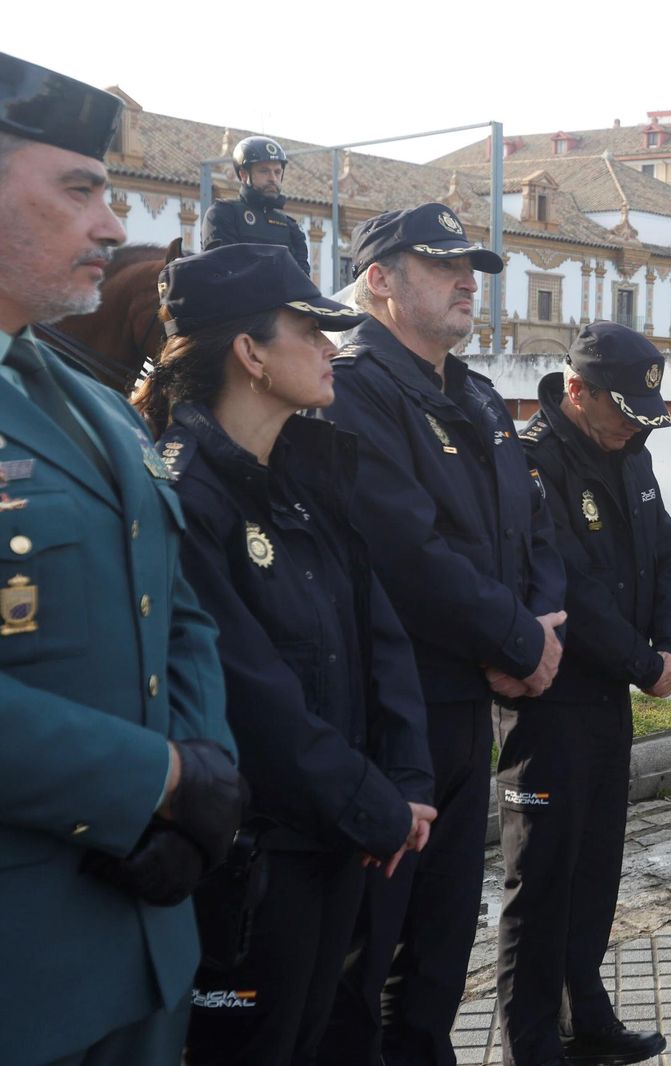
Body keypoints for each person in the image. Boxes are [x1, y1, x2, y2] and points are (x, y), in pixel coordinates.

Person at [132, 244, 436, 1065]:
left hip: (340, 836)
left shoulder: (306, 471)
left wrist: (406, 783)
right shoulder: (187, 494)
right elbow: (250, 692)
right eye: (309, 331)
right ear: (251, 353)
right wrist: (374, 805)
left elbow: (380, 636)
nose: (332, 346)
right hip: (257, 856)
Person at [0, 53, 241, 1066]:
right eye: (80, 190)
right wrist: (157, 779)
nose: (110, 226)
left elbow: (176, 608)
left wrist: (206, 772)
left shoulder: (96, 405)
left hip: (143, 951)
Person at [315, 203, 567, 1066]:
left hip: (468, 705)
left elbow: (534, 527)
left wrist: (537, 628)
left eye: (472, 268)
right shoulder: (353, 387)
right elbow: (404, 549)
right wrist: (519, 644)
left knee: (444, 937)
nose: (467, 281)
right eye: (443, 265)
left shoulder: (477, 393)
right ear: (380, 279)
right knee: (369, 947)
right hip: (397, 707)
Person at [500, 322, 671, 1066]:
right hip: (550, 702)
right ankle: (531, 1041)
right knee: (541, 878)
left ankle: (586, 1011)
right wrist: (644, 663)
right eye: (623, 411)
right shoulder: (532, 461)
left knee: (595, 869)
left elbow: (667, 552)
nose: (633, 428)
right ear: (577, 391)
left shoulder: (628, 449)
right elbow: (567, 583)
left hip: (609, 698)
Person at [201, 136, 311, 277]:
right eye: (264, 171)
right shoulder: (222, 214)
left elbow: (302, 279)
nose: (273, 178)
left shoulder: (291, 228)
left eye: (277, 172)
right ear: (243, 174)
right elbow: (223, 272)